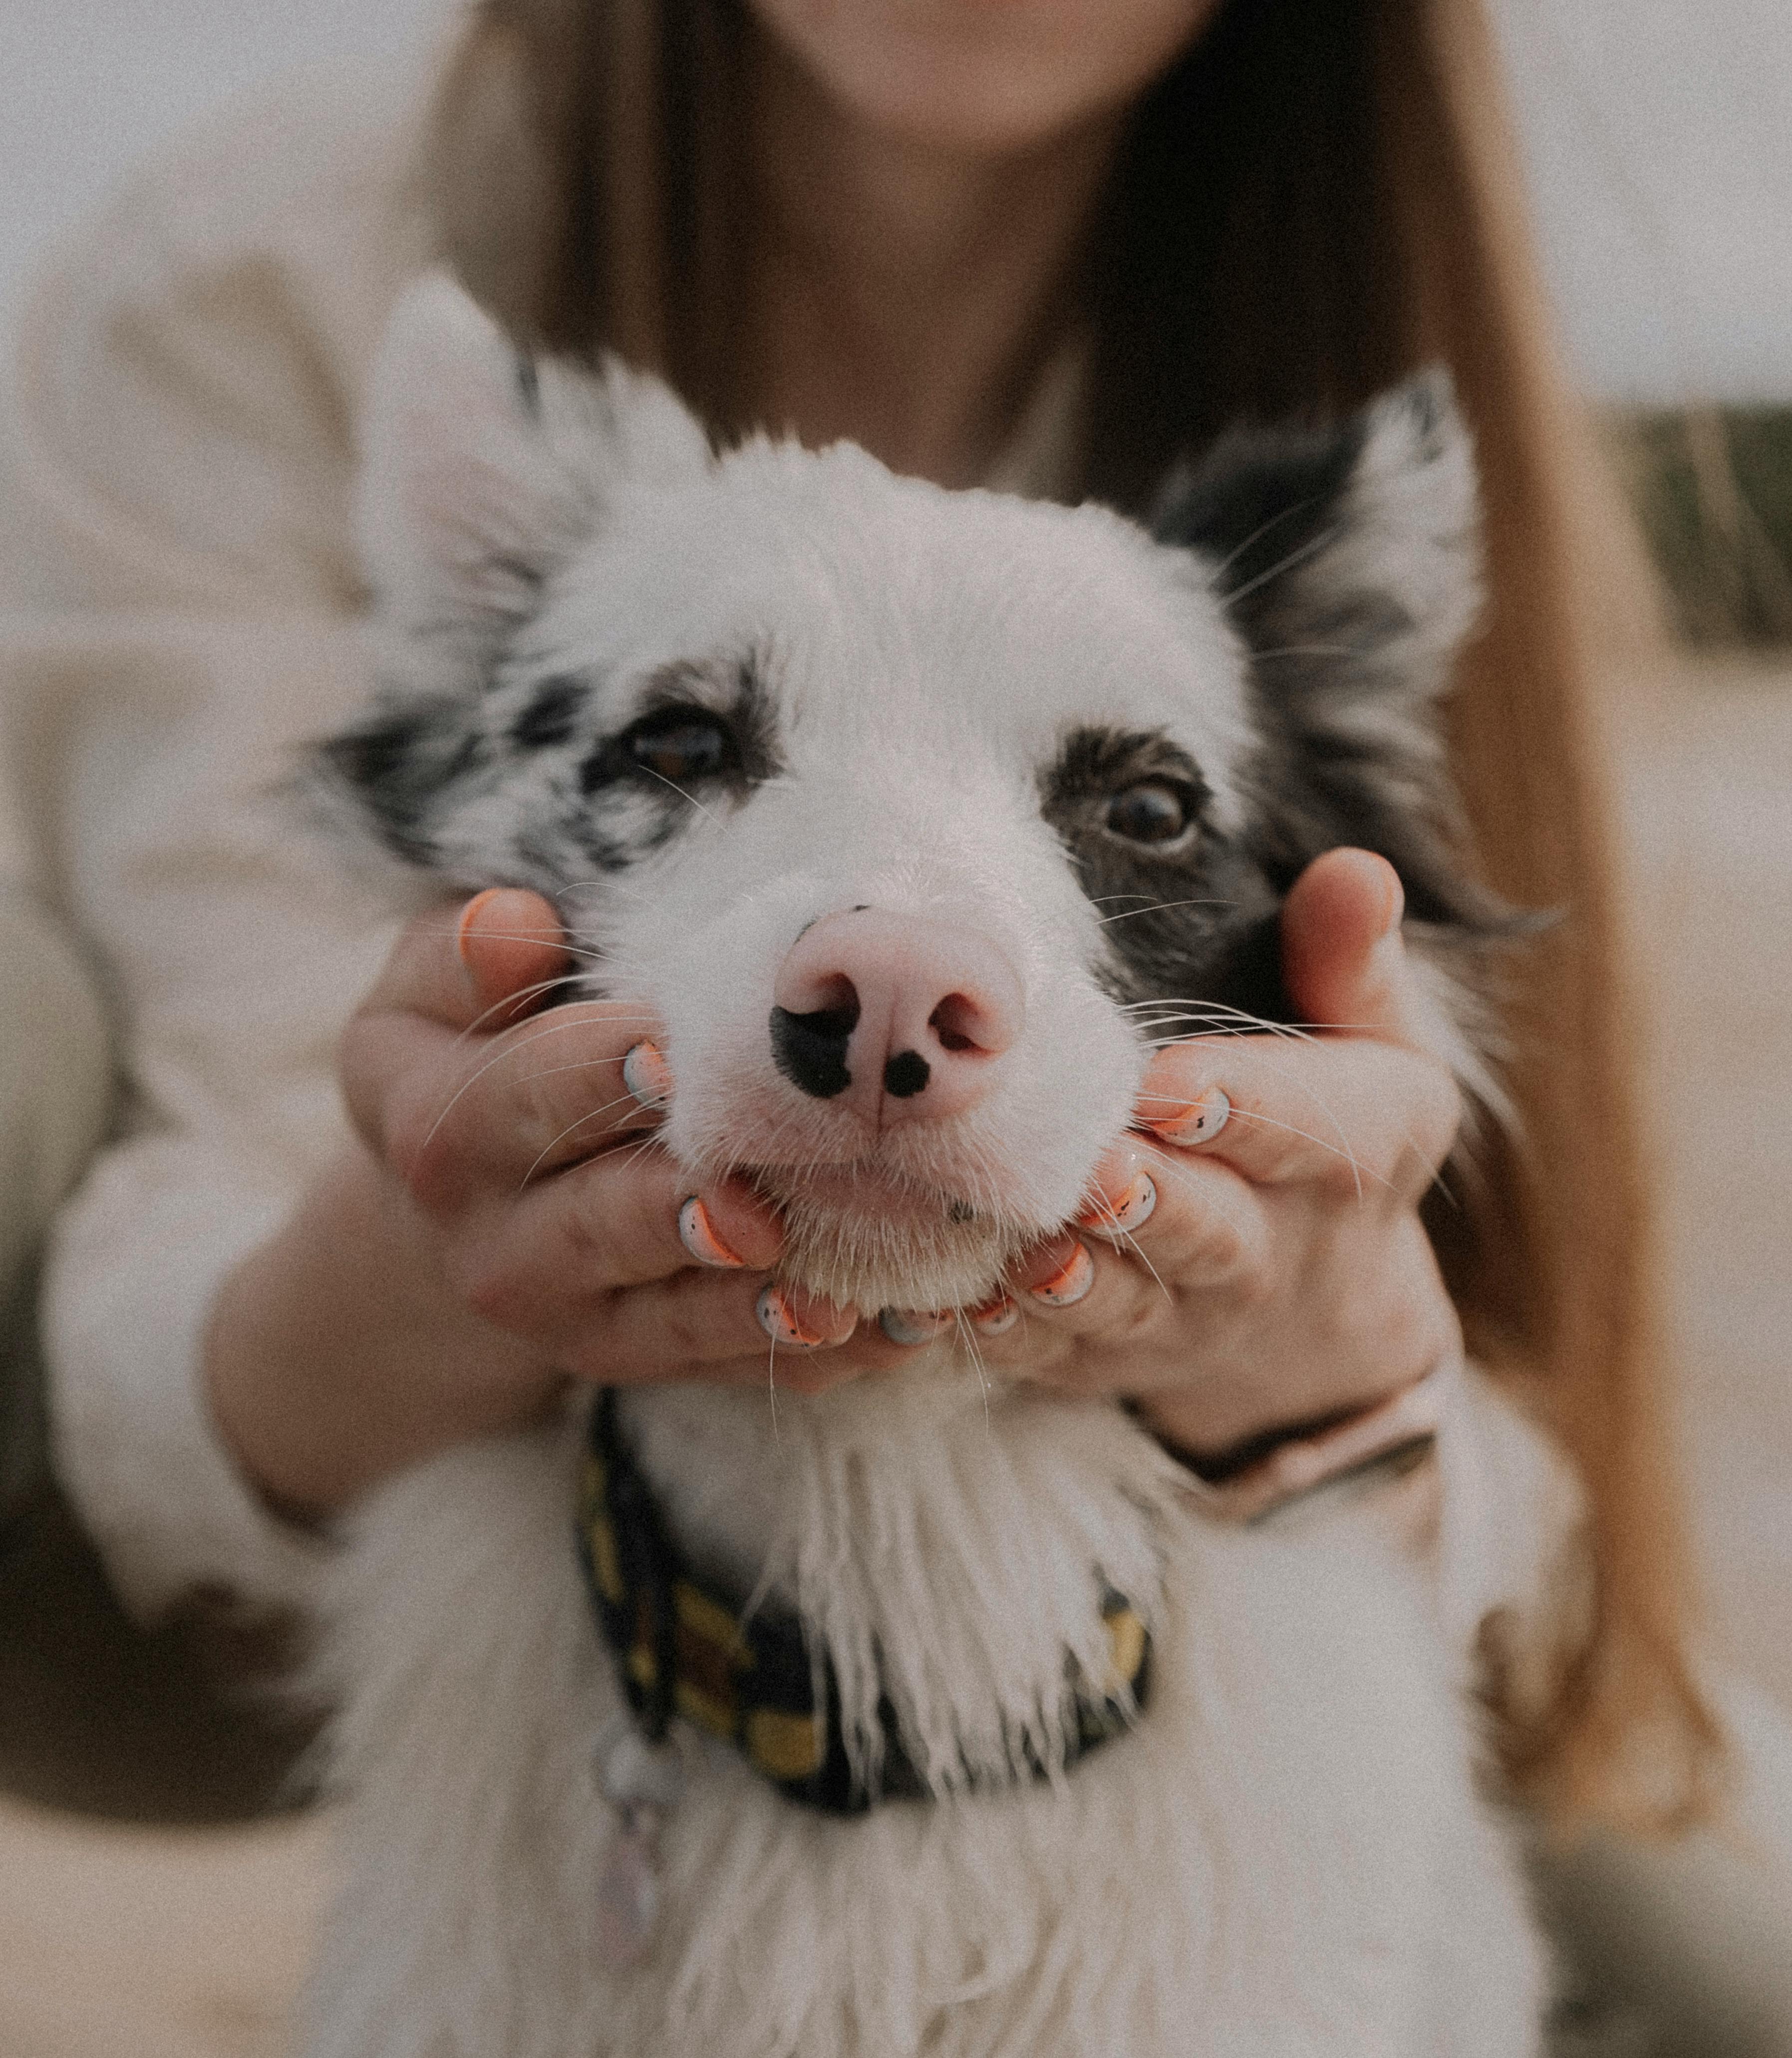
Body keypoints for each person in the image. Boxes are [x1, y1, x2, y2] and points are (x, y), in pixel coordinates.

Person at [1, 0, 1787, 2042]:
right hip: (320, 1516)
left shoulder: (1380, 313)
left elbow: (1501, 1460)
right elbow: (214, 1174)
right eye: (683, 739)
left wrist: (1343, 1365)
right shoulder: (261, 266)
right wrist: (411, 1261)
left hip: (1268, 1541)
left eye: (1133, 805)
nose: (891, 969)